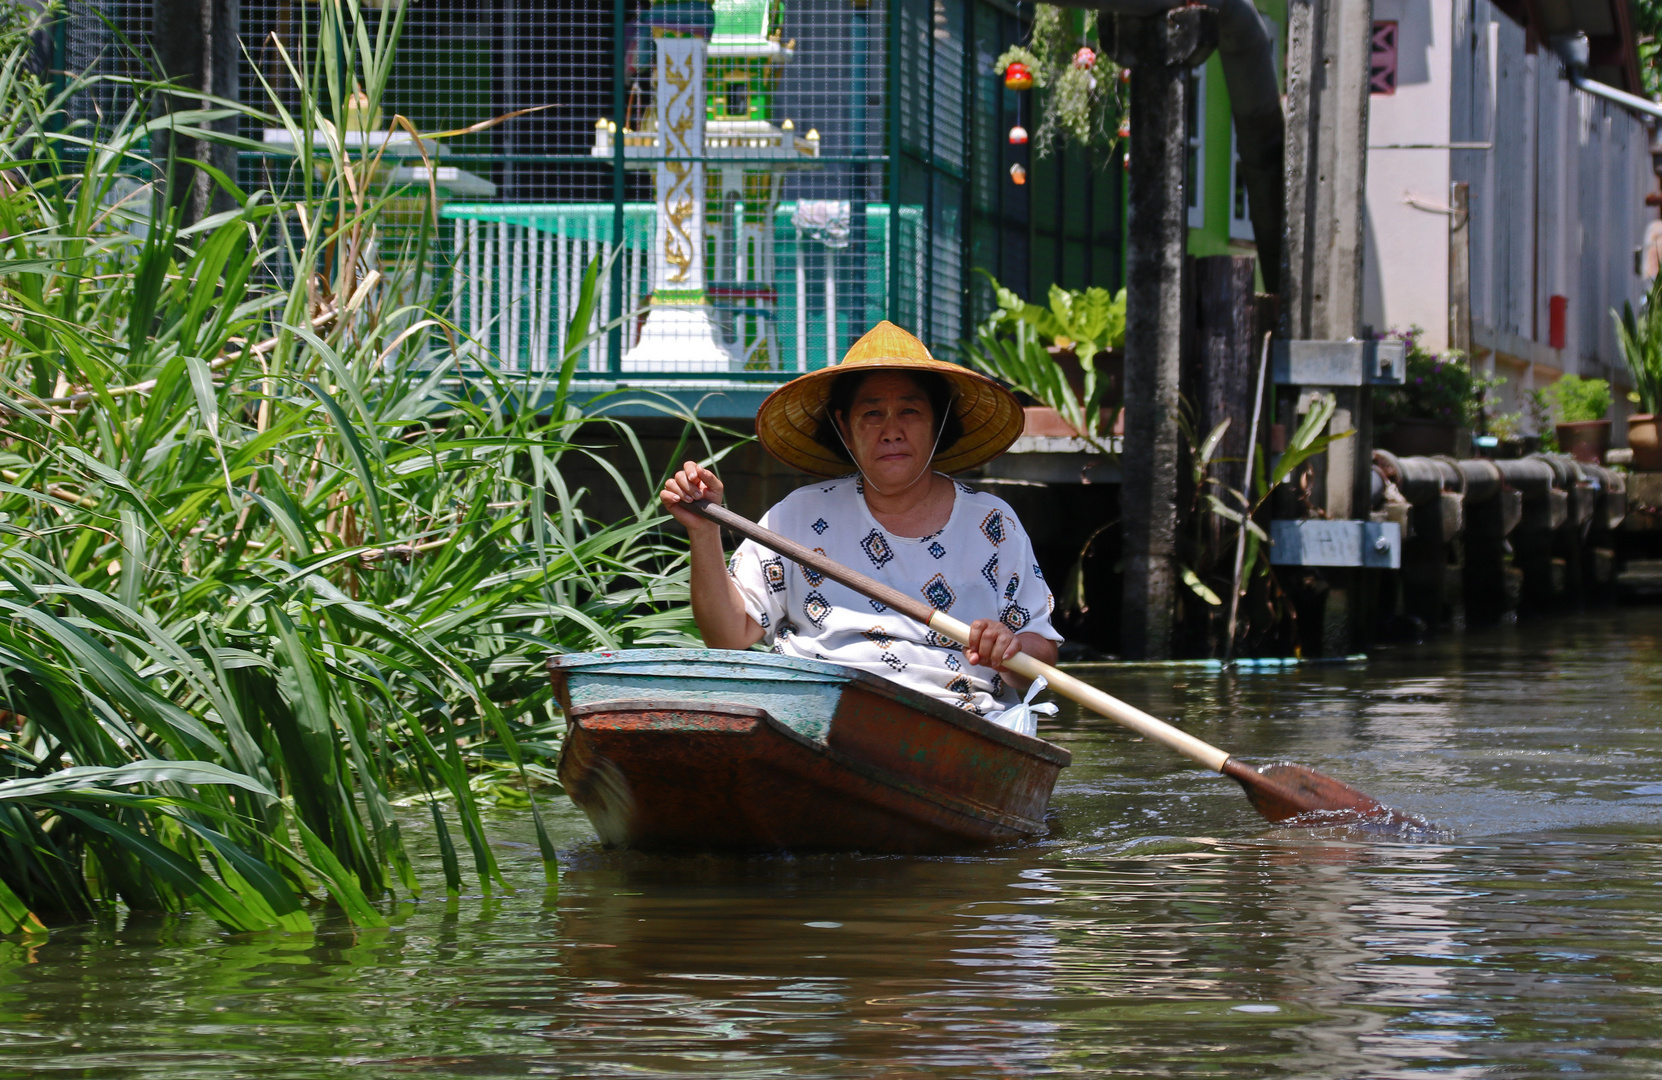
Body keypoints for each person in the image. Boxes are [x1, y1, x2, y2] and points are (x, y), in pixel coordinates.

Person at [661, 320, 1061, 725]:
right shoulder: (797, 515)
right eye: (872, 414)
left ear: (937, 424)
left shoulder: (992, 522)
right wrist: (704, 529)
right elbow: (727, 637)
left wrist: (1008, 649)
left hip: (953, 720)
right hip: (816, 715)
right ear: (845, 430)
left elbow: (1042, 652)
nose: (891, 431)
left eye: (910, 411)